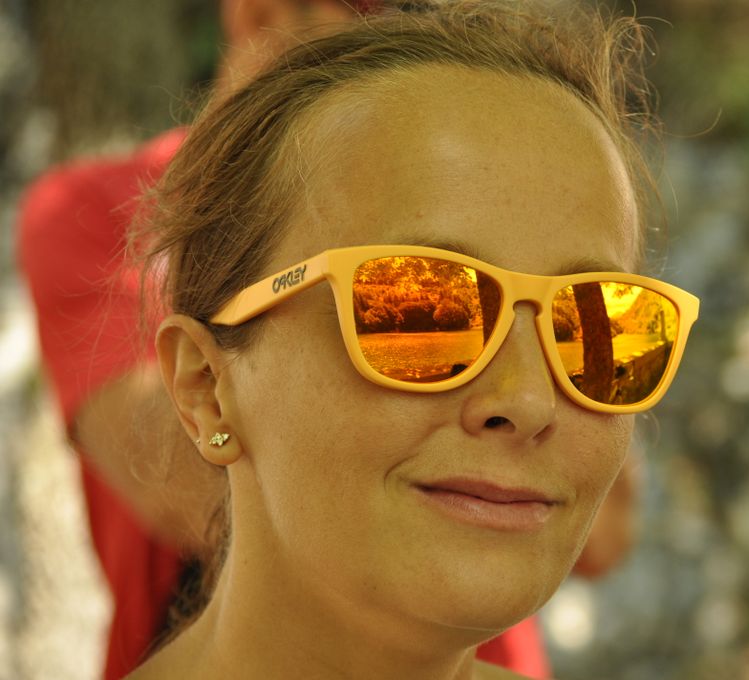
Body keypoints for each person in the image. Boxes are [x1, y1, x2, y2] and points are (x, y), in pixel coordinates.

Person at [20, 1, 636, 677]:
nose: (531, 400)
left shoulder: (521, 178)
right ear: (203, 385)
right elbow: (166, 485)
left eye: (595, 324)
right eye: (415, 310)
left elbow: (604, 535)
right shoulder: (93, 212)